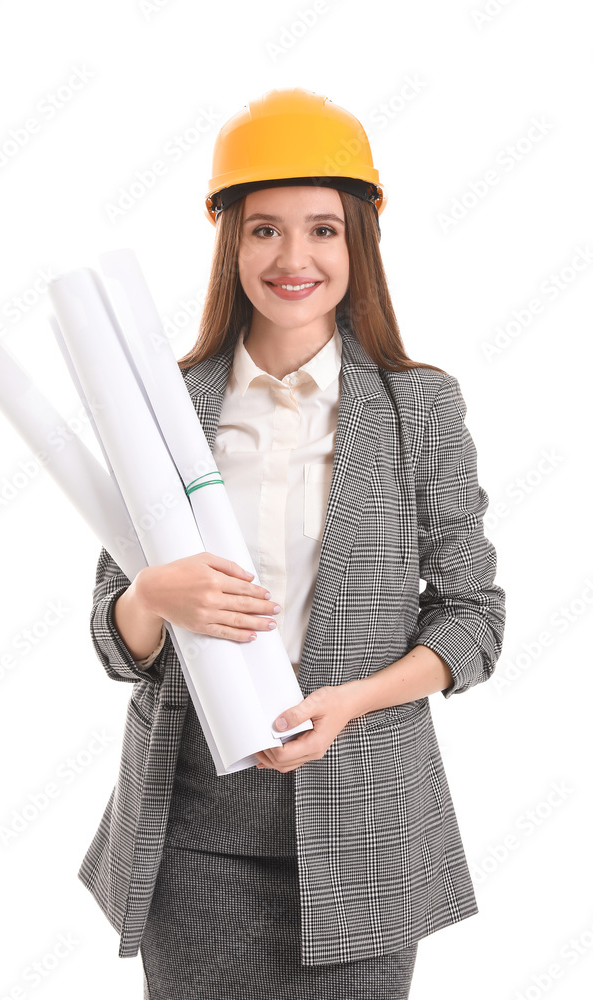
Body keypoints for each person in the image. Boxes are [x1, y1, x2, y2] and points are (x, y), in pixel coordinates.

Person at [78, 88, 506, 1000]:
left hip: (366, 836)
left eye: (323, 229)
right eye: (264, 229)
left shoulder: (417, 407)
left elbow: (474, 619)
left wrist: (356, 700)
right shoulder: (169, 404)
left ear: (359, 244)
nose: (294, 257)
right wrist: (153, 597)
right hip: (190, 834)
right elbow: (115, 640)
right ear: (230, 243)